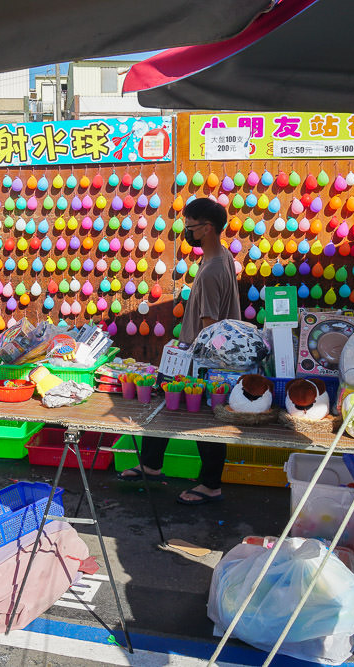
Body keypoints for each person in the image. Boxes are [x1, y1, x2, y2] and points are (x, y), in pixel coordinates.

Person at [117, 198, 241, 504]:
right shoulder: (221, 256)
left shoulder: (212, 270)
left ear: (207, 228)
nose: (186, 232)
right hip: (193, 353)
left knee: (204, 420)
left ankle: (210, 484)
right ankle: (151, 464)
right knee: (163, 401)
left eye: (190, 226)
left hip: (202, 357)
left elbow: (211, 328)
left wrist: (195, 361)